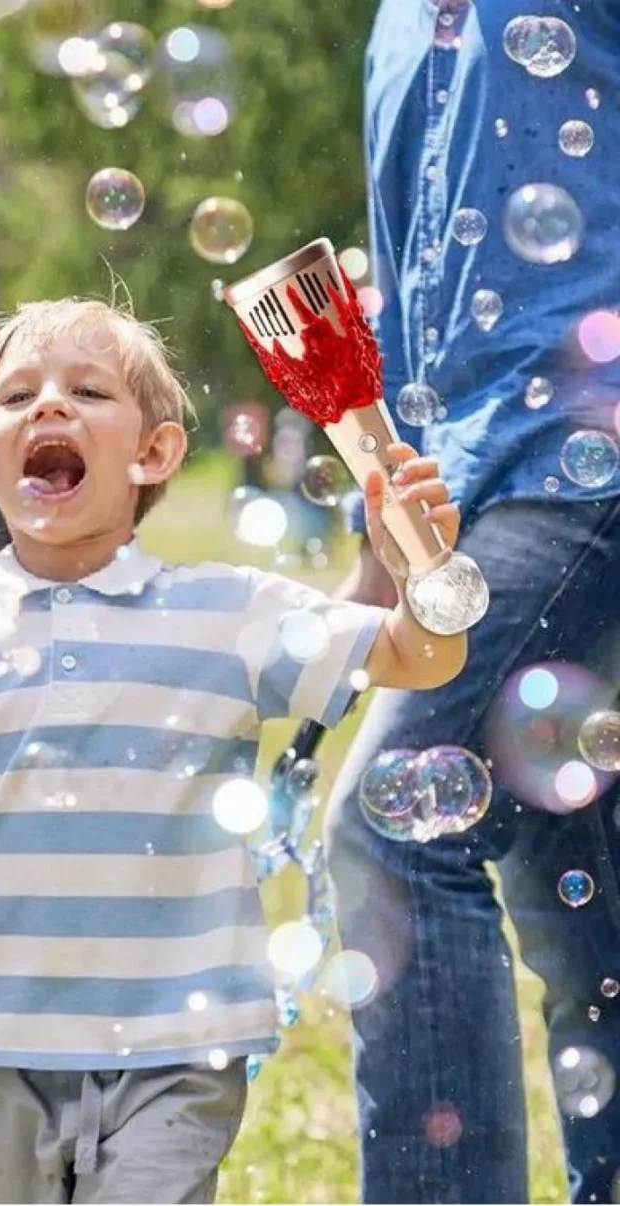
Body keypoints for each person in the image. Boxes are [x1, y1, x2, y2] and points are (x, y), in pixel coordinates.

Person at [0, 296, 467, 1204]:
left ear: (155, 452)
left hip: (181, 1047)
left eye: (88, 390)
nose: (50, 406)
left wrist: (423, 572)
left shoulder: (229, 613)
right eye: (18, 394)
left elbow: (418, 656)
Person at [326, 1, 620, 1202]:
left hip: (585, 448)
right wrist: (384, 536)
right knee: (586, 901)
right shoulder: (398, 26)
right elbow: (410, 301)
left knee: (395, 829)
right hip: (476, 486)